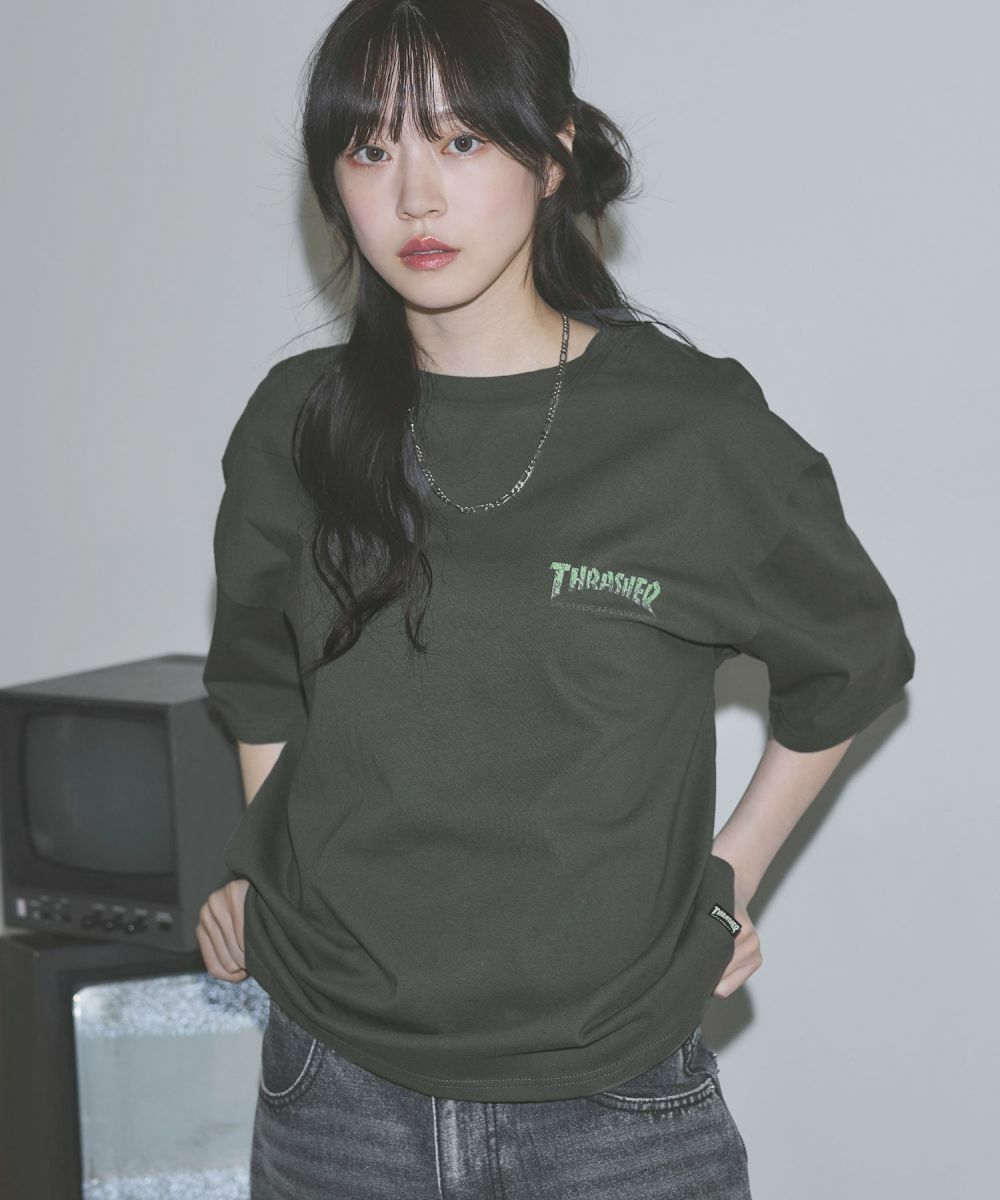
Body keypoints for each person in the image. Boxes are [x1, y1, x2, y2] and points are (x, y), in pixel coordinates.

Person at [196, 1, 916, 1196]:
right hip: (332, 1094)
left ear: (552, 155)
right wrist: (260, 871)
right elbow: (258, 677)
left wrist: (728, 877)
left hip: (614, 1109)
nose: (415, 196)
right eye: (370, 149)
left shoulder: (690, 431)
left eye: (461, 140)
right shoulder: (295, 424)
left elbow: (852, 659)